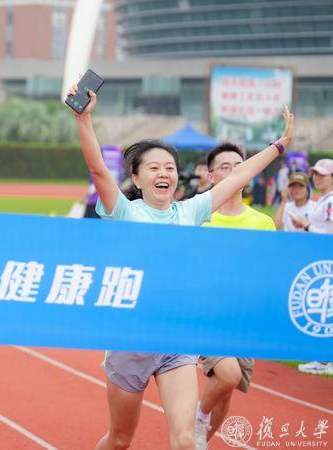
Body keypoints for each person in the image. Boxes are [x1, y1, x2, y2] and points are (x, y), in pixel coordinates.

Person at [68, 81, 293, 450]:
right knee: (121, 439)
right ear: (136, 178)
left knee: (186, 439)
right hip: (130, 338)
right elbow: (98, 170)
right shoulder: (124, 211)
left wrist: (279, 145)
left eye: (170, 168)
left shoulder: (191, 210)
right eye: (154, 167)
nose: (164, 173)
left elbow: (239, 176)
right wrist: (84, 120)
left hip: (176, 337)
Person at [194, 143, 276, 448]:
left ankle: (197, 442)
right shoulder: (200, 218)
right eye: (225, 167)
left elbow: (269, 272)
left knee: (227, 391)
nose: (234, 171)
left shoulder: (262, 222)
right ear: (211, 175)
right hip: (207, 315)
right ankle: (197, 421)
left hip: (242, 319)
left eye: (239, 165)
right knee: (227, 375)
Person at [288, 158, 333, 376]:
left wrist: (306, 226)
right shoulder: (324, 200)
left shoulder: (330, 201)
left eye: (322, 174)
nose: (317, 177)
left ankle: (325, 359)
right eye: (315, 173)